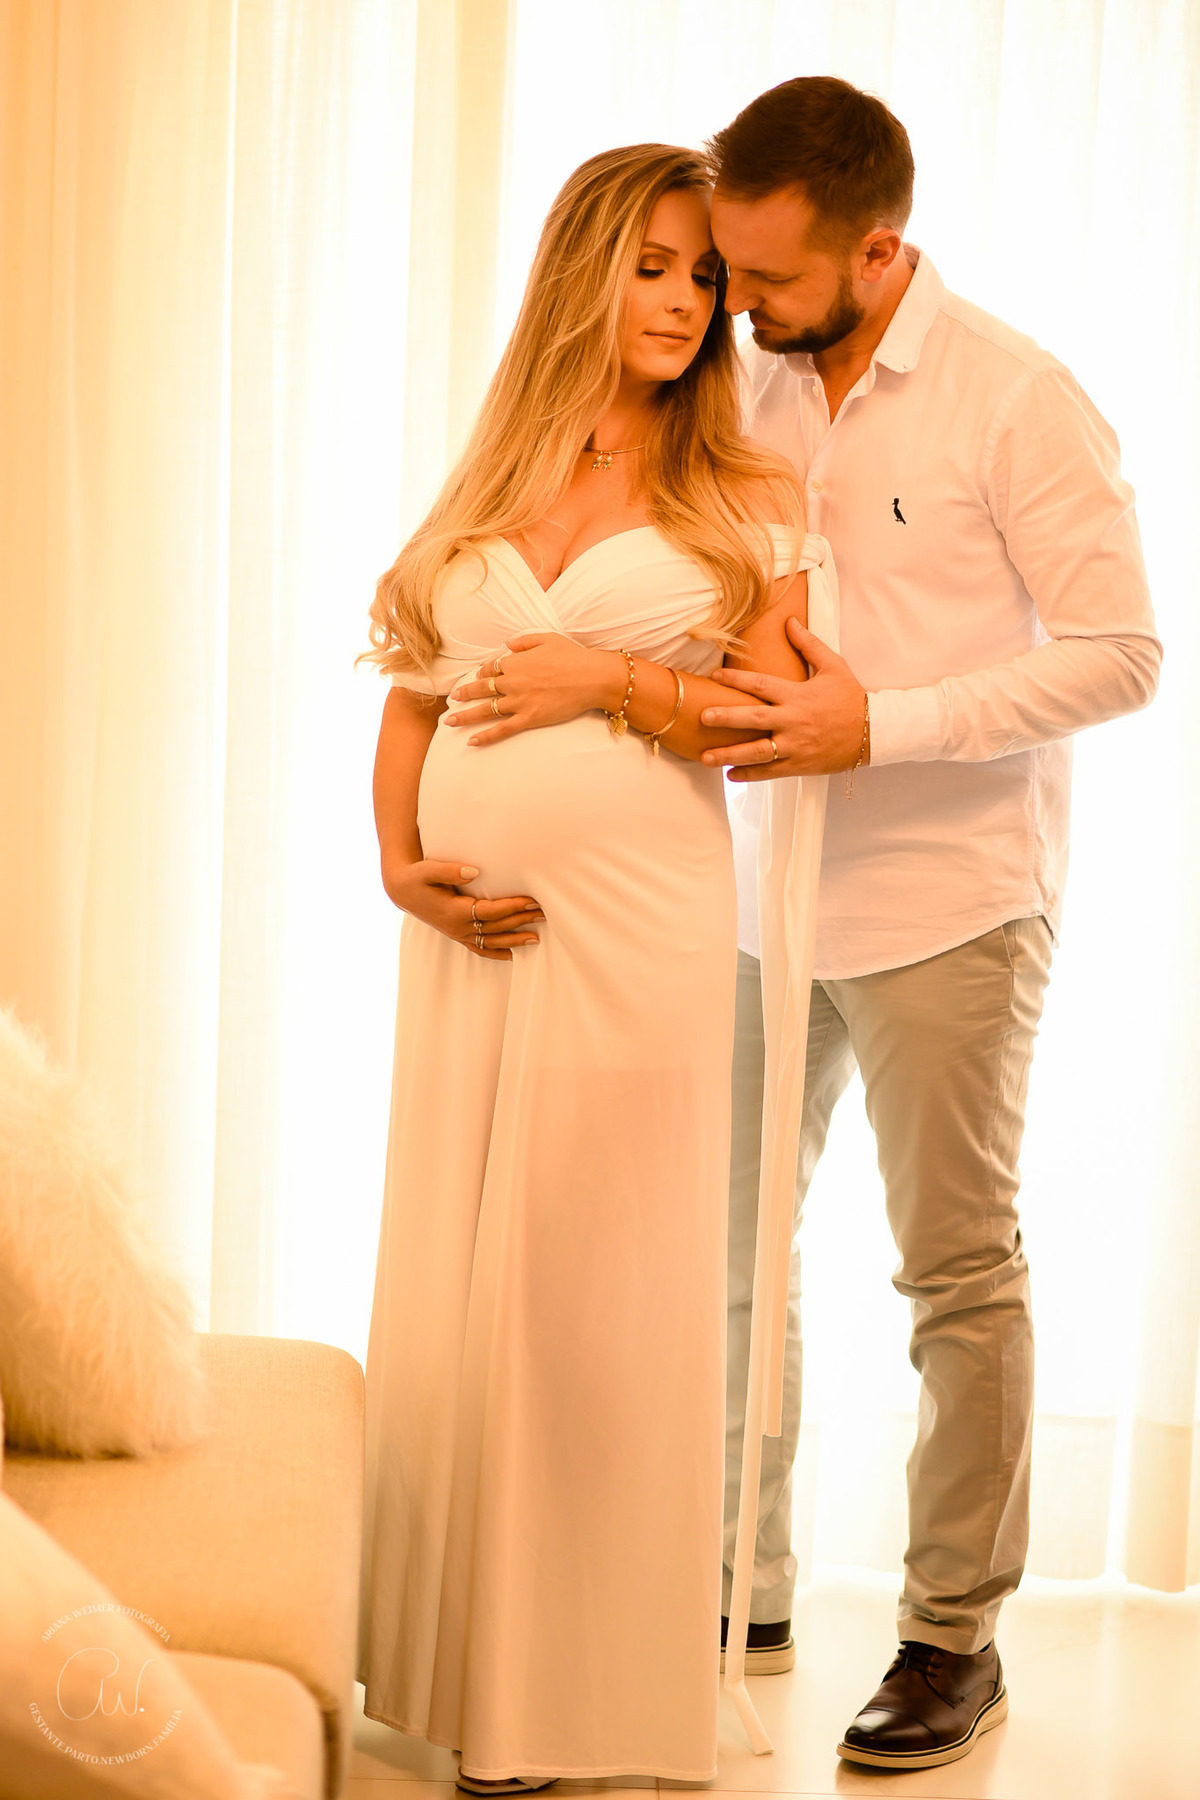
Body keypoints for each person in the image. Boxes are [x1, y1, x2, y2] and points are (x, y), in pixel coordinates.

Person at [689, 76, 1162, 1773]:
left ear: (879, 248)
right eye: (730, 270)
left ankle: (953, 1640)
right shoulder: (740, 382)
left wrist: (875, 724)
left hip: (952, 906)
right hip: (760, 896)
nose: (739, 305)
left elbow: (1121, 654)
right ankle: (737, 1591)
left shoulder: (1017, 398)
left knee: (956, 1274)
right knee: (728, 1257)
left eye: (770, 277)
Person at [356, 142, 834, 1789]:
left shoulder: (751, 494)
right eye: (652, 265)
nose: (686, 302)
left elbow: (774, 722)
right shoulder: (495, 470)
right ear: (583, 270)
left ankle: (575, 1700)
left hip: (639, 934)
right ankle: (474, 1681)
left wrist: (606, 684)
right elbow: (413, 697)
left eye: (707, 276)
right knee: (471, 1293)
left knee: (591, 1302)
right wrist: (400, 869)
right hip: (469, 944)